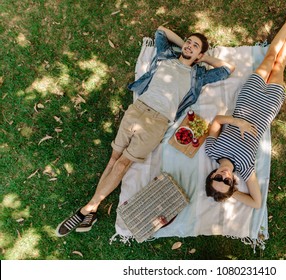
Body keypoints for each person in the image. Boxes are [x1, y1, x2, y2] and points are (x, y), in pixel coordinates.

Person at [56, 26, 235, 237]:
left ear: (201, 54)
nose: (189, 45)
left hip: (157, 123)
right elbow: (161, 32)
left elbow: (227, 69)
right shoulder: (165, 56)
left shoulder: (199, 76)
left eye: (195, 46)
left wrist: (203, 59)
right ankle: (91, 211)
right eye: (188, 41)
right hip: (137, 110)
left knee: (122, 163)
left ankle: (88, 209)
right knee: (113, 160)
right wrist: (185, 47)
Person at [204, 0, 286, 209]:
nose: (223, 177)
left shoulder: (211, 151)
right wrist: (231, 194)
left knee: (270, 56)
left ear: (211, 175)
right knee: (280, 63)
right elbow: (257, 204)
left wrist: (238, 122)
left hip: (247, 99)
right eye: (226, 182)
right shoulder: (245, 169)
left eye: (217, 179)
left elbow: (218, 120)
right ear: (232, 183)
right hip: (267, 107)